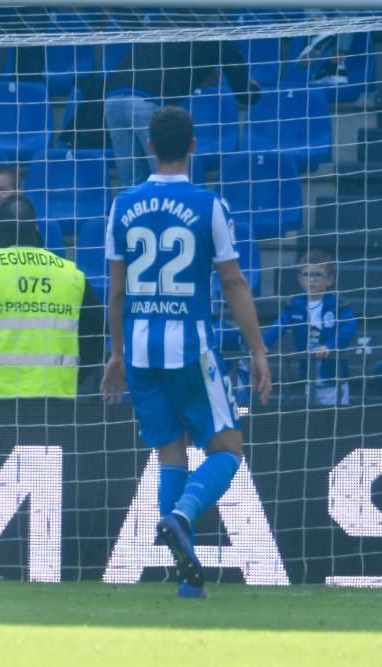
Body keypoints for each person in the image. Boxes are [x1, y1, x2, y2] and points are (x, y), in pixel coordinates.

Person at [100, 106, 271, 599]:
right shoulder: (208, 205)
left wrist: (116, 352)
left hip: (139, 351)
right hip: (191, 349)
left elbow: (115, 290)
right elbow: (233, 281)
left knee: (170, 455)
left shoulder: (122, 204)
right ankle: (180, 515)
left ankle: (187, 587)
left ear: (148, 146)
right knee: (228, 451)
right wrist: (258, 349)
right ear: (193, 146)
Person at [0, 195, 105, 398]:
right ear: (35, 229)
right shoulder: (72, 275)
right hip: (56, 397)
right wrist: (76, 376)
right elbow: (96, 335)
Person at [104, 41, 261, 186]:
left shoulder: (167, 22)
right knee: (166, 180)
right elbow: (245, 95)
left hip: (113, 99)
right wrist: (257, 90)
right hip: (146, 101)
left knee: (132, 183)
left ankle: (138, 215)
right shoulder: (222, 39)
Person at [263, 249, 358, 407]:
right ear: (300, 279)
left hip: (335, 381)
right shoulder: (294, 304)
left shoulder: (338, 304)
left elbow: (350, 326)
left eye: (317, 275)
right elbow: (278, 326)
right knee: (313, 423)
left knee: (336, 422)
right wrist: (261, 345)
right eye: (307, 275)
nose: (311, 279)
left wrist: (330, 346)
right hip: (309, 377)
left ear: (329, 280)